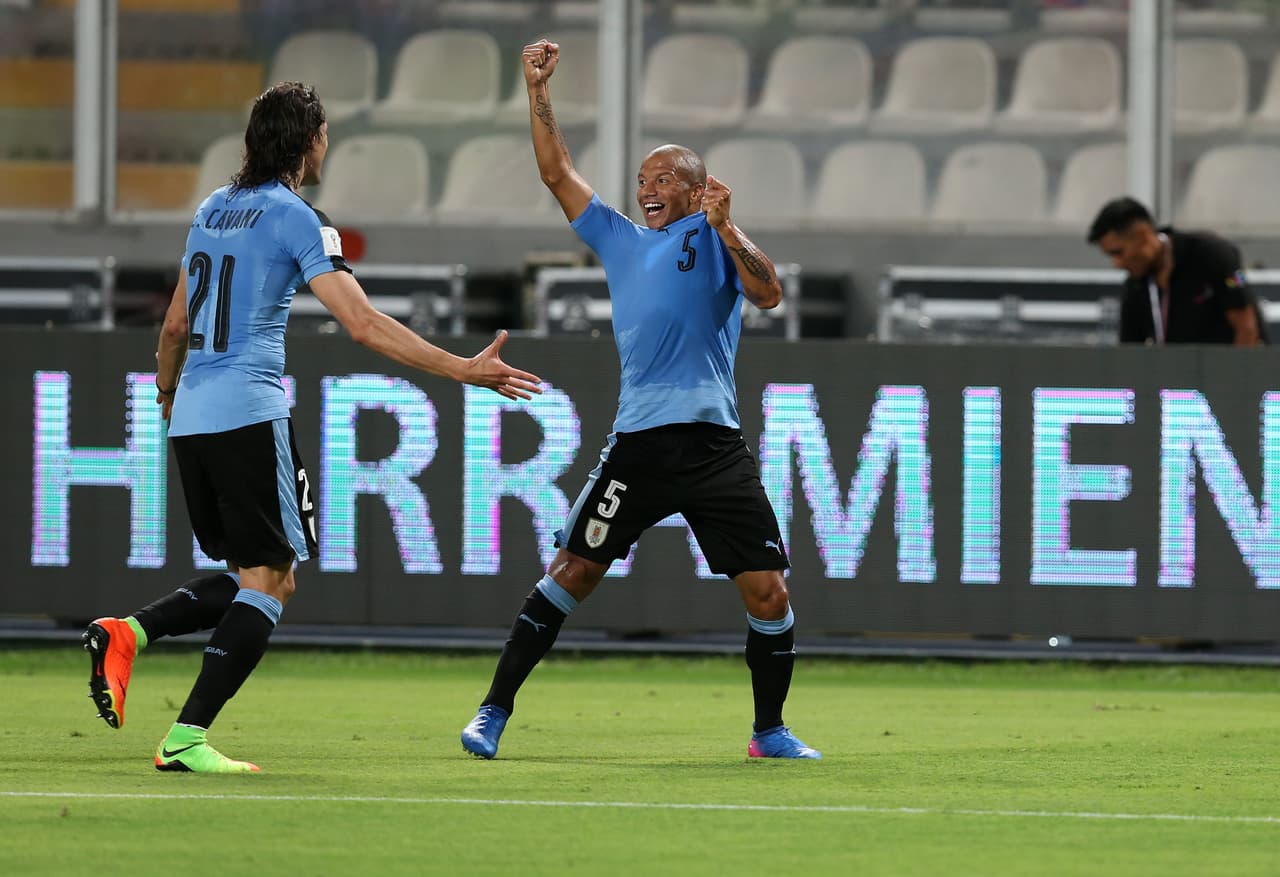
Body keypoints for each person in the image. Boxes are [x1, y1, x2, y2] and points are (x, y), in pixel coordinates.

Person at [82, 81, 542, 773]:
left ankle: (128, 633)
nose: (328, 145)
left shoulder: (212, 209)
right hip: (248, 411)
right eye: (324, 134)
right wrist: (461, 369)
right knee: (271, 578)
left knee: (257, 574)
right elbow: (361, 323)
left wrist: (168, 394)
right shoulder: (296, 216)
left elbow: (174, 325)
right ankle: (185, 738)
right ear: (309, 141)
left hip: (193, 418)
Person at [459, 39, 820, 761]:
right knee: (572, 572)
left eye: (663, 179)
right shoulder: (621, 239)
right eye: (641, 180)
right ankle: (491, 712)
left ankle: (769, 732)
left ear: (697, 188)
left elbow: (770, 294)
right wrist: (538, 90)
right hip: (641, 444)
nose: (647, 189)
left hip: (714, 446)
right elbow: (557, 172)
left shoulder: (718, 238)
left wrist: (727, 225)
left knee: (770, 593)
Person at [1087, 196, 1268, 346]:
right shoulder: (1135, 287)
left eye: (1118, 252)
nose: (1116, 264)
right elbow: (1130, 353)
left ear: (1142, 235)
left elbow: (1246, 326)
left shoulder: (1213, 254)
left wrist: (1238, 376)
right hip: (1179, 376)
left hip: (1231, 371)